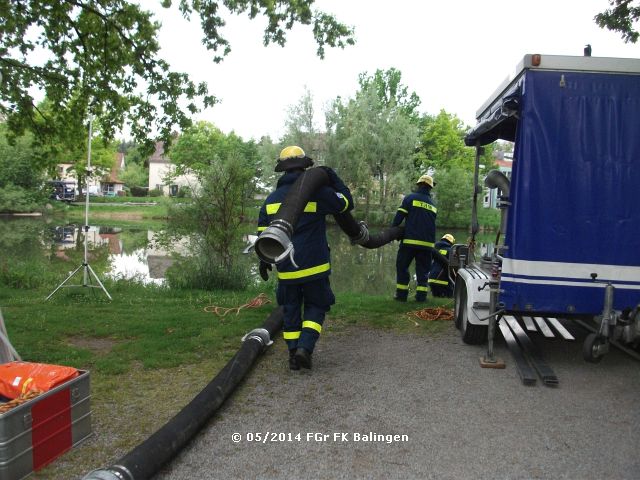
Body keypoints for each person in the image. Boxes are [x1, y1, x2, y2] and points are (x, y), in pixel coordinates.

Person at [258, 146, 354, 371]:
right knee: (316, 306)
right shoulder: (318, 194)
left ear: (282, 170)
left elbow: (263, 235)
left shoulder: (271, 200)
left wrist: (264, 260)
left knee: (290, 309)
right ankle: (305, 348)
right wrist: (332, 177)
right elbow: (346, 203)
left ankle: (293, 354)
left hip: (286, 268)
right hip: (315, 267)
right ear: (305, 167)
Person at [391, 174, 437, 302]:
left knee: (402, 267)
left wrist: (392, 230)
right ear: (430, 188)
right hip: (427, 244)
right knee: (423, 271)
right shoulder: (433, 204)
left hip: (410, 242)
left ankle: (401, 295)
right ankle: (421, 297)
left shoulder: (410, 198)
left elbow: (399, 216)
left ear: (419, 185)